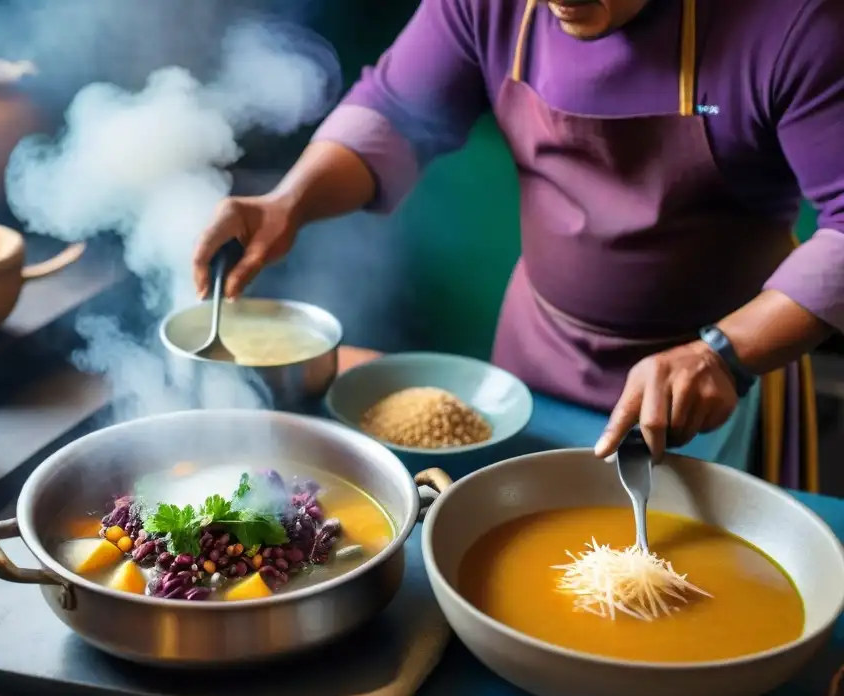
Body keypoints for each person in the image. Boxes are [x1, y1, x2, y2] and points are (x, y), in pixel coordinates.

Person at [191, 0, 844, 481]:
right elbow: (393, 110)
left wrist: (722, 357)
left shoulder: (793, 23)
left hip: (712, 382)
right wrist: (289, 203)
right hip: (535, 359)